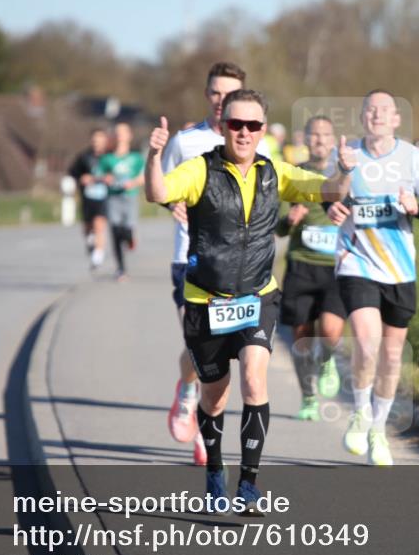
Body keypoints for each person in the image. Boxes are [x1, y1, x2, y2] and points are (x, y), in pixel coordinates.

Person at [146, 89, 354, 514]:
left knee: (255, 381)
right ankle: (214, 472)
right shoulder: (200, 170)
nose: (244, 132)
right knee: (215, 397)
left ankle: (249, 485)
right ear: (223, 127)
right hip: (205, 300)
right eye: (236, 124)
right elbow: (158, 192)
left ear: (262, 131)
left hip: (257, 296)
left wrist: (345, 172)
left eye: (253, 125)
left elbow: (329, 189)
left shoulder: (275, 172)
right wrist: (153, 157)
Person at [326, 90, 419, 466]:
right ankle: (360, 412)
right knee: (367, 343)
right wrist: (336, 195)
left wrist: (417, 208)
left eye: (384, 110)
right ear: (362, 117)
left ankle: (378, 429)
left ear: (396, 119)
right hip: (356, 261)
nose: (377, 115)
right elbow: (329, 197)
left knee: (392, 356)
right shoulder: (346, 154)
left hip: (399, 269)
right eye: (370, 109)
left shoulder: (414, 159)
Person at [159, 62, 270, 467]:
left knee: (241, 363)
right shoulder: (185, 142)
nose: (222, 101)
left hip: (242, 272)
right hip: (190, 262)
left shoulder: (256, 141)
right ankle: (190, 395)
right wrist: (172, 202)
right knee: (200, 349)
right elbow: (159, 187)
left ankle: (207, 426)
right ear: (207, 95)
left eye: (230, 93)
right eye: (215, 93)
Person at [275, 115, 346, 421]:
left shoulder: (344, 176)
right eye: (314, 134)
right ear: (305, 139)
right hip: (301, 265)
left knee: (330, 330)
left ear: (333, 140)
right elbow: (277, 229)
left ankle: (327, 360)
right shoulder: (294, 175)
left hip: (335, 267)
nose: (319, 140)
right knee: (302, 338)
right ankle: (308, 398)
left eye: (325, 134)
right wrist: (289, 220)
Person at [99, 123, 145, 281]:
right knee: (115, 231)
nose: (120, 136)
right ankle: (121, 268)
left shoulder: (136, 158)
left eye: (123, 132)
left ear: (129, 135)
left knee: (126, 230)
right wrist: (105, 179)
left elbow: (143, 177)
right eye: (117, 133)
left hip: (130, 196)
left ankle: (131, 238)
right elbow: (100, 175)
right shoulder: (107, 158)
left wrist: (133, 183)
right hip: (113, 197)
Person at [68, 128, 110, 269]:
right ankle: (90, 242)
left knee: (99, 225)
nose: (97, 143)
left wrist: (106, 178)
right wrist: (81, 179)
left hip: (104, 197)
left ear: (105, 141)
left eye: (100, 140)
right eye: (95, 140)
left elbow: (115, 174)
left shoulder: (109, 156)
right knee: (87, 228)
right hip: (87, 197)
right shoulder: (84, 157)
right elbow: (73, 173)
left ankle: (98, 256)